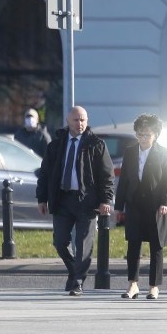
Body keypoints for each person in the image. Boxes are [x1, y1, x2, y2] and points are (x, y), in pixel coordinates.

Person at [36, 105, 114, 296]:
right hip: (63, 199)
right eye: (76, 120)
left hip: (87, 201)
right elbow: (45, 174)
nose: (80, 124)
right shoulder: (56, 145)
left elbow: (107, 175)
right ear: (68, 121)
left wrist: (106, 200)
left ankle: (78, 282)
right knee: (60, 242)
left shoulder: (96, 145)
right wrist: (42, 198)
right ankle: (74, 272)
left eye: (83, 120)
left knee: (83, 245)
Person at [113, 114, 167, 300]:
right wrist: (119, 206)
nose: (143, 138)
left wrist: (165, 202)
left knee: (156, 246)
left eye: (147, 134)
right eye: (139, 134)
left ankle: (153, 287)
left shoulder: (164, 153)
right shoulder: (131, 152)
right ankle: (132, 285)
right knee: (133, 245)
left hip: (156, 205)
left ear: (155, 134)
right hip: (134, 204)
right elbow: (124, 180)